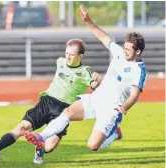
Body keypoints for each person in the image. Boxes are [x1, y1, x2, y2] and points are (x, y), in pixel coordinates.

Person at [24, 4, 147, 153]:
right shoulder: (120, 52)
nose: (124, 50)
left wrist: (124, 107)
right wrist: (88, 21)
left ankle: (114, 134)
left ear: (138, 51)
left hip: (112, 109)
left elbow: (134, 95)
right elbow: (102, 36)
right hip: (97, 98)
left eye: (128, 49)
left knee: (93, 146)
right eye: (125, 47)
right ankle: (41, 136)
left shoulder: (139, 70)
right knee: (68, 112)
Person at [0, 39, 102, 164]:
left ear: (80, 56)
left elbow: (93, 84)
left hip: (64, 111)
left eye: (71, 55)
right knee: (23, 127)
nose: (68, 57)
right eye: (66, 53)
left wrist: (96, 82)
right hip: (47, 102)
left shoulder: (85, 70)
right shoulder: (60, 62)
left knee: (50, 145)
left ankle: (40, 148)